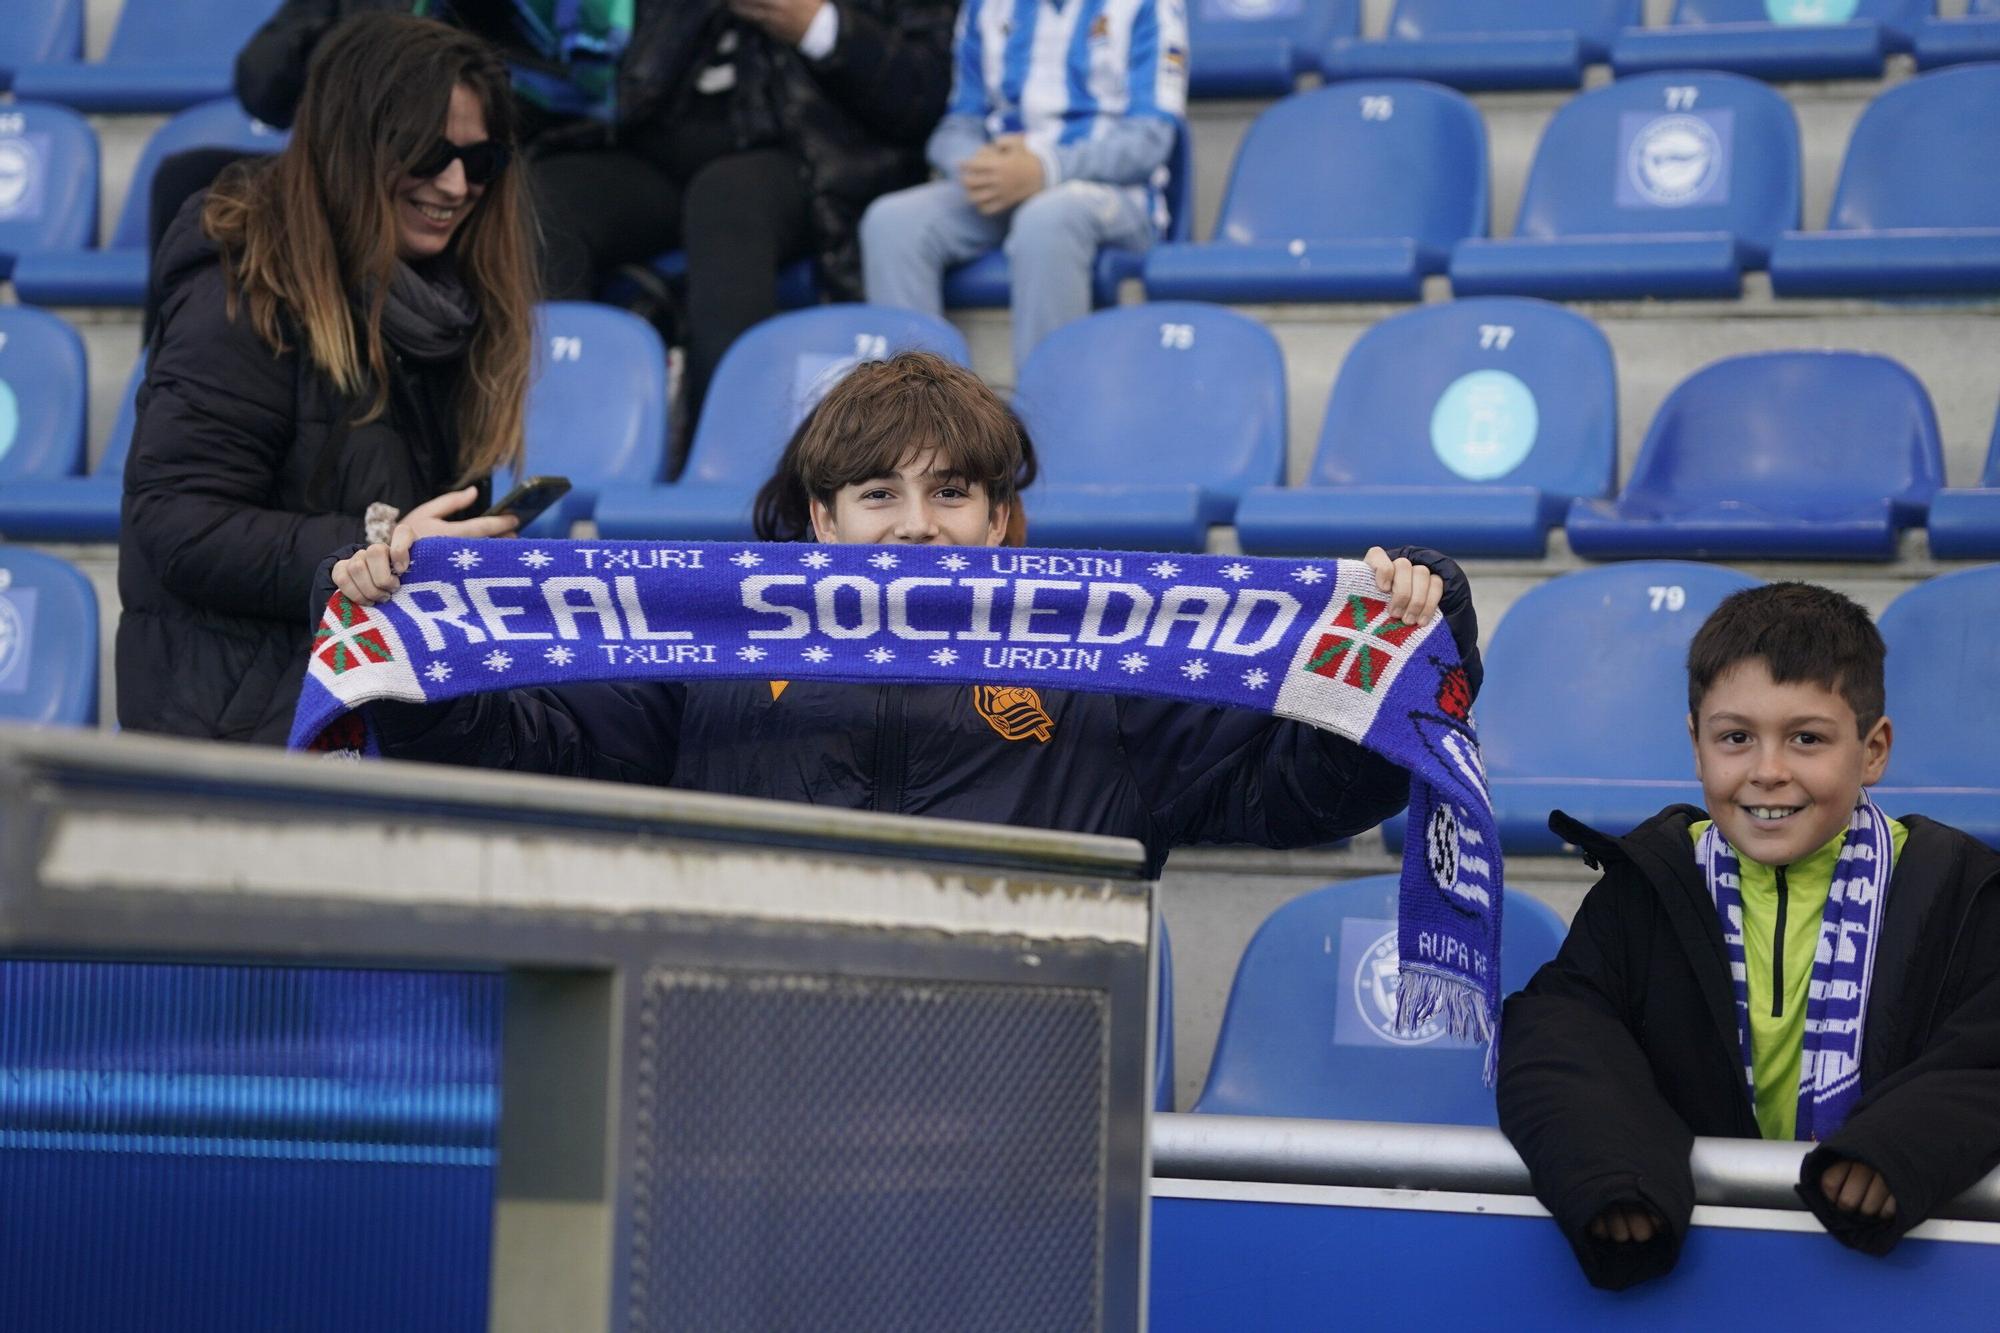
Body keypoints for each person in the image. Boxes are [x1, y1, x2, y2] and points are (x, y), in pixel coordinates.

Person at [327, 351, 1481, 877]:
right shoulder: (695, 660)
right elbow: (525, 750)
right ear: (819, 522)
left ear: (998, 520)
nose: (915, 525)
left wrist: (1415, 628)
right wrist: (413, 638)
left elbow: (1310, 792)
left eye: (950, 492)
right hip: (742, 1103)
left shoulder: (1111, 676)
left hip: (1021, 1119)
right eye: (878, 493)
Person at [1498, 582, 2000, 1290]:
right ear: (1697, 747)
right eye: (1736, 737)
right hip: (1697, 1272)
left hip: (1889, 1279)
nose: (1768, 770)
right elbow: (1561, 1035)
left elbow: (1986, 1052)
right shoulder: (1646, 888)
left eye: (1807, 738)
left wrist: (1900, 1148)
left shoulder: (1959, 889)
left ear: (1874, 748)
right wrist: (1618, 1173)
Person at [236, 0, 958, 435]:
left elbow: (923, 97)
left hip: (810, 158)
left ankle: (725, 452)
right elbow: (607, 78)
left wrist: (816, 24)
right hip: (647, 145)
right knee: (541, 199)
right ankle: (545, 438)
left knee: (728, 205)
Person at [119, 14, 534, 745]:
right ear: (353, 148)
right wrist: (375, 544)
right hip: (239, 735)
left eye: (482, 160)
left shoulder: (445, 303)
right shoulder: (244, 286)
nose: (457, 184)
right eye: (429, 153)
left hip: (361, 714)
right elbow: (178, 524)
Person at [860, 0, 1187, 376]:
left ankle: (1045, 423)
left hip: (1114, 194)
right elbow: (958, 124)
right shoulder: (985, 6)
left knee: (1047, 220)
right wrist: (985, 165)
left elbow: (1150, 141)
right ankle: (921, 419)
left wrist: (1045, 168)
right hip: (1003, 183)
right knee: (891, 223)